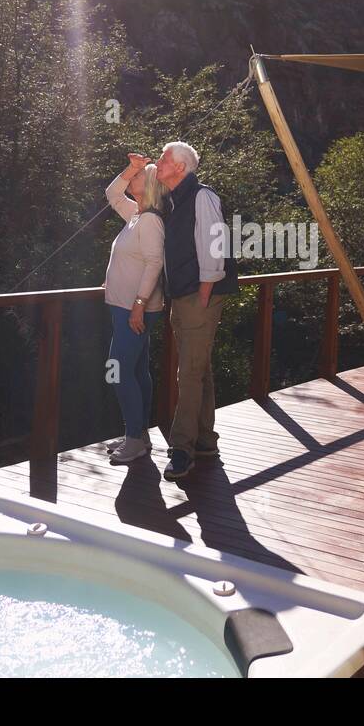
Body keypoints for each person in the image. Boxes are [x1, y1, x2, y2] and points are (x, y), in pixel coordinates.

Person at [154, 141, 238, 480]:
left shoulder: (202, 196)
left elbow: (213, 244)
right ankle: (205, 440)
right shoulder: (173, 200)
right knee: (198, 368)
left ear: (181, 167)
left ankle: (181, 450)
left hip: (199, 295)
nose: (158, 163)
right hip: (186, 295)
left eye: (163, 159)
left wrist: (205, 290)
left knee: (187, 373)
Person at [102, 152, 167, 463]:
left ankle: (134, 438)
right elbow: (112, 193)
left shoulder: (151, 220)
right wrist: (131, 168)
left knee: (118, 370)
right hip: (124, 307)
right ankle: (139, 434)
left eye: (140, 177)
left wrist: (139, 305)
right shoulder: (136, 215)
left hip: (134, 309)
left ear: (150, 186)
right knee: (137, 369)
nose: (133, 180)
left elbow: (155, 263)